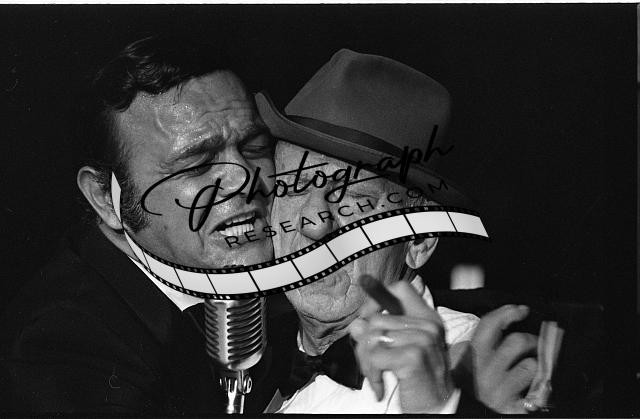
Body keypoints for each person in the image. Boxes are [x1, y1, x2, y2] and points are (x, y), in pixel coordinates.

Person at [0, 36, 280, 414]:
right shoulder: (60, 350)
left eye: (255, 147)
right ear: (105, 198)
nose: (244, 178)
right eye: (197, 164)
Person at [256, 49, 539, 414]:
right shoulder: (248, 359)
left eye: (354, 198)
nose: (314, 222)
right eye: (293, 188)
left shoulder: (478, 370)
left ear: (419, 240)